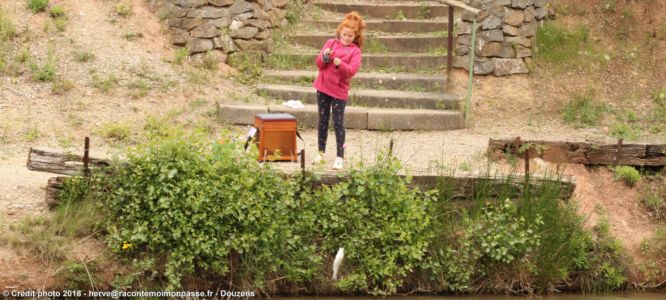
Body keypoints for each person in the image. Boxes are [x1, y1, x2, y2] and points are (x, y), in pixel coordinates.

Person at [312, 11, 365, 170]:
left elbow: (351, 71)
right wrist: (325, 57)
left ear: (355, 36)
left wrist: (338, 64)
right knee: (322, 121)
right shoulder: (330, 43)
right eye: (344, 34)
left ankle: (340, 156)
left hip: (339, 92)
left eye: (350, 36)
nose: (346, 38)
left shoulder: (355, 51)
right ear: (340, 32)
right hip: (323, 87)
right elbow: (319, 64)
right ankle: (320, 153)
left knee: (338, 123)